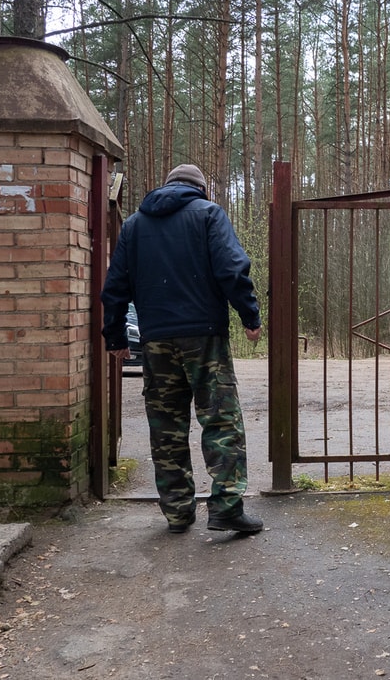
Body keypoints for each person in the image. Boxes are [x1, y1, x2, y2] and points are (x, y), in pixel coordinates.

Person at [101, 163, 264, 535]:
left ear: (168, 185)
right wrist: (249, 316)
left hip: (156, 340)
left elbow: (115, 287)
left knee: (166, 427)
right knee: (221, 421)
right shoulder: (208, 214)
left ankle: (176, 511)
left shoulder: (134, 226)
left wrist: (115, 337)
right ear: (201, 189)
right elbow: (232, 268)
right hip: (204, 337)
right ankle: (225, 508)